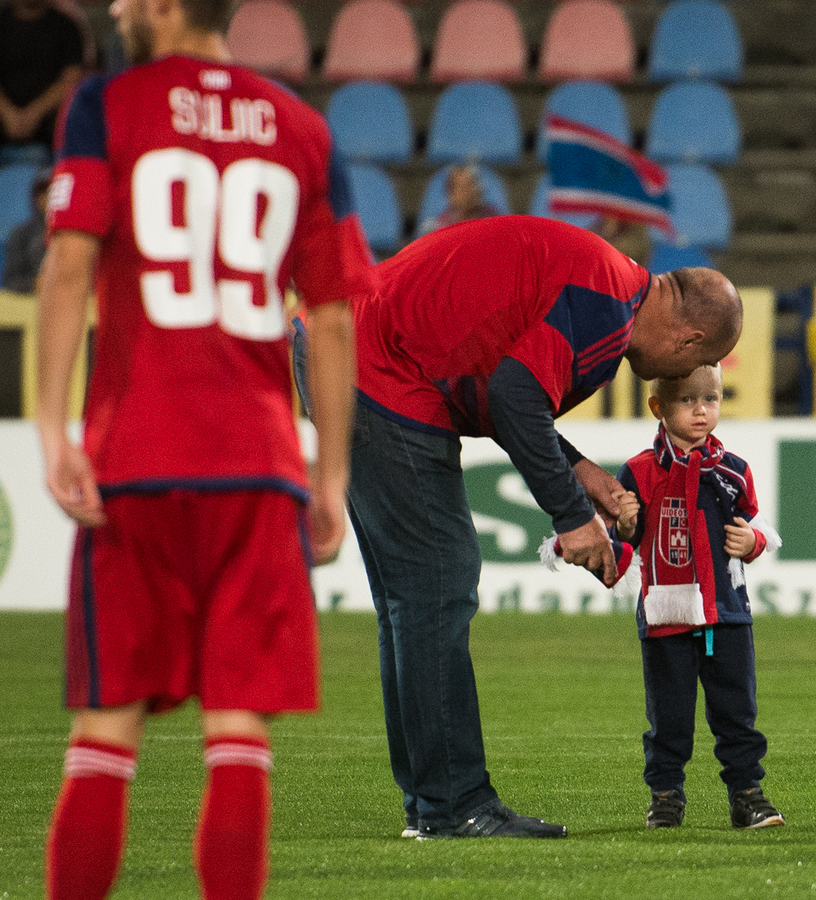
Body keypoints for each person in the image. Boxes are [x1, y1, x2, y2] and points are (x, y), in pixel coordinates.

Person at [34, 0, 371, 891]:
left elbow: (69, 264)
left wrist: (52, 427)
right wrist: (331, 475)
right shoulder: (304, 129)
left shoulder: (106, 104)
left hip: (136, 458)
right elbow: (333, 317)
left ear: (164, 5)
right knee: (240, 735)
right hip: (259, 469)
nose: (115, 8)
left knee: (106, 732)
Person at [321, 214, 743, 840]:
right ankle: (453, 806)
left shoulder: (609, 284)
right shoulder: (607, 307)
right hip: (381, 364)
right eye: (698, 361)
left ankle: (431, 802)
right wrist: (574, 519)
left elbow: (502, 386)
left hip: (352, 347)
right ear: (689, 339)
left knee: (413, 602)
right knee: (437, 586)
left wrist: (581, 473)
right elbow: (515, 397)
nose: (682, 375)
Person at [613, 363, 783, 830]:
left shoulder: (734, 471)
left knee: (737, 714)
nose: (701, 410)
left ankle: (747, 796)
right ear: (658, 407)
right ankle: (666, 797)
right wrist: (624, 525)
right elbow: (625, 538)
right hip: (666, 616)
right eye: (687, 400)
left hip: (727, 613)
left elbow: (757, 528)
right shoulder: (638, 471)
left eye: (710, 399)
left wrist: (753, 543)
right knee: (669, 719)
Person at [0, 0, 85, 162]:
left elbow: (73, 77)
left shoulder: (65, 26)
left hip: (51, 137)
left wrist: (33, 114)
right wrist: (8, 114)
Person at [418, 163, 502, 235]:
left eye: (475, 185)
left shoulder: (495, 222)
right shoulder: (433, 228)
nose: (474, 190)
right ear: (451, 194)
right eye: (465, 188)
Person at [2, 166, 48, 292]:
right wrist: (34, 284)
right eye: (44, 193)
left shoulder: (79, 235)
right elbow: (10, 282)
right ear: (36, 197)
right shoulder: (21, 235)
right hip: (29, 299)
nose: (48, 198)